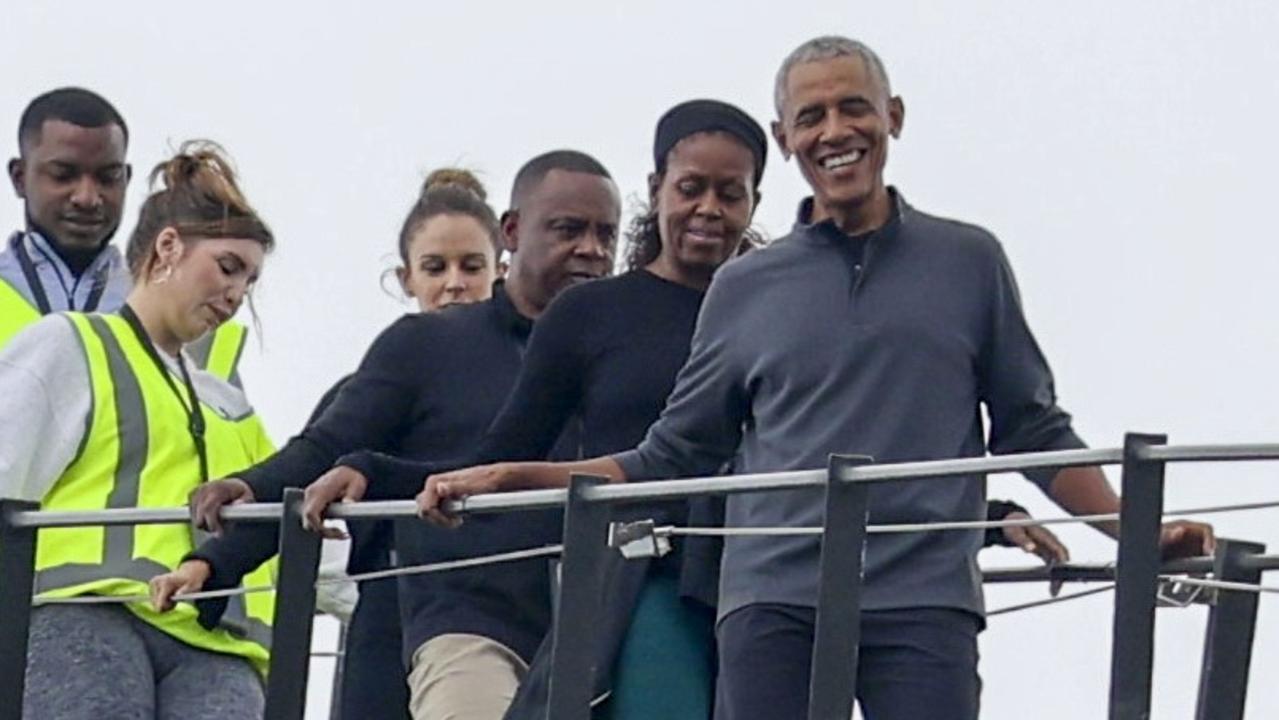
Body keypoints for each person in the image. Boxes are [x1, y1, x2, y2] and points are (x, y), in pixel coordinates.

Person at [414, 37, 1215, 720]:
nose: (836, 131)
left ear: (891, 117)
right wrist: (516, 473)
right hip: (772, 604)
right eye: (811, 116)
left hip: (923, 600)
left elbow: (1031, 427)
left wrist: (1130, 530)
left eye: (853, 108)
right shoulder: (745, 287)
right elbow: (673, 455)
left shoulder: (968, 261)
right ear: (785, 137)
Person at [151, 149, 620, 720]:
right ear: (515, 235)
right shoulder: (423, 346)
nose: (590, 249)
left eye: (605, 233)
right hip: (423, 622)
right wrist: (226, 542)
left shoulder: (618, 356)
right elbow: (324, 454)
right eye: (569, 229)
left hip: (588, 628)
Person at [0, 141, 278, 719]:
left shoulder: (229, 404)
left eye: (249, 280)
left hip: (218, 637)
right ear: (169, 246)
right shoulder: (71, 344)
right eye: (228, 267)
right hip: (88, 613)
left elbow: (306, 535)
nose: (236, 293)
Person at [309, 167, 507, 720]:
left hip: (486, 606)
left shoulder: (529, 381)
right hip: (383, 609)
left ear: (502, 270)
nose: (454, 283)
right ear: (405, 277)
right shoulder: (360, 390)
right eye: (434, 267)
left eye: (472, 266)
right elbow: (309, 474)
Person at [2, 87, 252, 383]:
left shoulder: (187, 314)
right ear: (19, 177)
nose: (87, 197)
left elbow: (229, 430)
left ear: (127, 179)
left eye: (108, 177)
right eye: (63, 175)